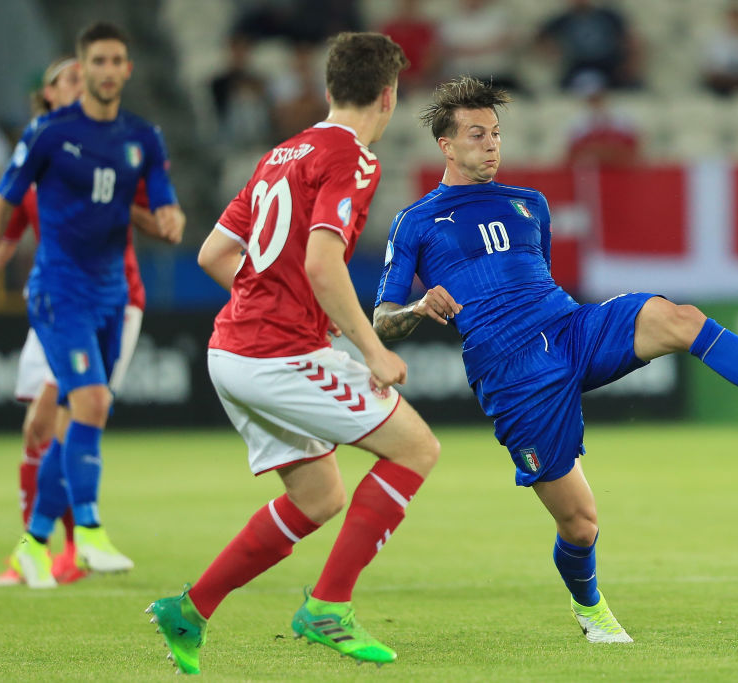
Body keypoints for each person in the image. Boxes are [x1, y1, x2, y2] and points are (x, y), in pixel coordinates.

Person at [372, 76, 738, 643]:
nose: (491, 144)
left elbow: (537, 280)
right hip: (512, 370)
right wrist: (420, 304)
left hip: (570, 328)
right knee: (580, 523)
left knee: (680, 317)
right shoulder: (417, 222)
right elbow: (381, 322)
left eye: (495, 133)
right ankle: (589, 608)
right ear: (446, 145)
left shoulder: (529, 204)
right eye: (476, 135)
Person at [146, 32, 438, 674]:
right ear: (388, 97)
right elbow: (323, 262)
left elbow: (214, 256)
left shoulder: (282, 153)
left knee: (318, 497)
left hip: (231, 349)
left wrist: (276, 300)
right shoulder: (355, 159)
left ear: (329, 89)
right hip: (276, 354)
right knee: (417, 448)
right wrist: (370, 348)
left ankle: (190, 609)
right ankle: (328, 607)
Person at [0, 22, 184, 589]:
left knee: (73, 416)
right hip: (58, 292)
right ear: (84, 67)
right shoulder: (49, 135)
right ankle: (90, 535)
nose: (102, 71)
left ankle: (33, 545)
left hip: (113, 295)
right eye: (92, 62)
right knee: (89, 403)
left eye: (112, 61)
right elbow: (1, 211)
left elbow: (164, 210)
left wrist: (169, 220)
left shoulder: (143, 138)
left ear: (126, 69)